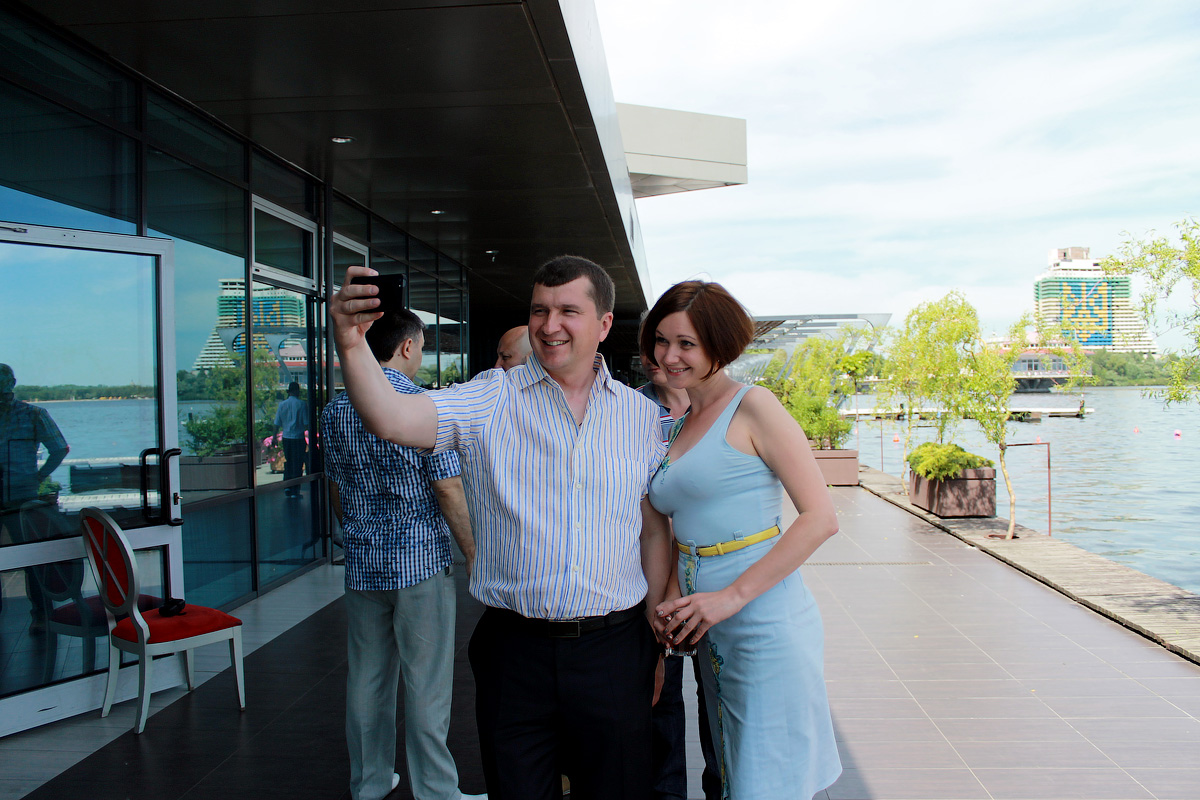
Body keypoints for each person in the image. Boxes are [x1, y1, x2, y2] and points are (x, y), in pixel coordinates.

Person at [330, 255, 673, 800]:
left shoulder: (642, 418)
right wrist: (351, 343)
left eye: (568, 311)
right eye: (539, 310)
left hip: (614, 649)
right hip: (515, 653)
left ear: (604, 324)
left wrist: (654, 645)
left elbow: (654, 533)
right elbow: (391, 418)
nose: (550, 325)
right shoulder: (492, 397)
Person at [642, 281, 842, 800]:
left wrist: (729, 597)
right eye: (662, 340)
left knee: (763, 780)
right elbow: (675, 525)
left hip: (762, 623)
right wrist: (667, 603)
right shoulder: (679, 423)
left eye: (686, 343)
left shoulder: (754, 405)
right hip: (706, 626)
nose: (669, 355)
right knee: (732, 767)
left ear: (720, 345)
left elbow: (821, 518)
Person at [321, 309, 483, 800]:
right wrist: (475, 557)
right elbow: (448, 488)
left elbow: (337, 488)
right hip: (419, 564)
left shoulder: (337, 409)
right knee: (426, 683)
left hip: (363, 565)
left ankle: (369, 783)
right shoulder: (423, 405)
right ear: (408, 347)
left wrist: (358, 534)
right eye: (423, 347)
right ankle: (436, 791)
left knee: (366, 680)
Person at [636, 355, 721, 800]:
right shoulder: (633, 411)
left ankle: (719, 787)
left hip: (713, 583)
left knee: (718, 704)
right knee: (661, 701)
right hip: (654, 583)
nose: (661, 357)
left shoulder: (722, 410)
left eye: (679, 344)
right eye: (653, 345)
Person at [274, 380, 308, 495]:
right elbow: (306, 422)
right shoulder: (302, 404)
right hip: (298, 437)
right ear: (297, 391)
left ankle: (287, 486)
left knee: (289, 461)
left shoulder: (282, 405)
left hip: (286, 437)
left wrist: (274, 437)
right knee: (298, 463)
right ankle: (295, 489)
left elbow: (277, 423)